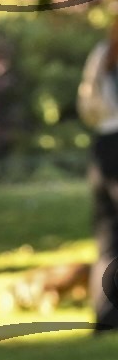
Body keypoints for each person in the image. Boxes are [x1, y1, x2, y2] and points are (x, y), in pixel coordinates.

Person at [77, 18, 118, 332]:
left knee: (108, 235)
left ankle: (106, 315)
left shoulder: (103, 54)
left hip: (103, 146)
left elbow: (87, 106)